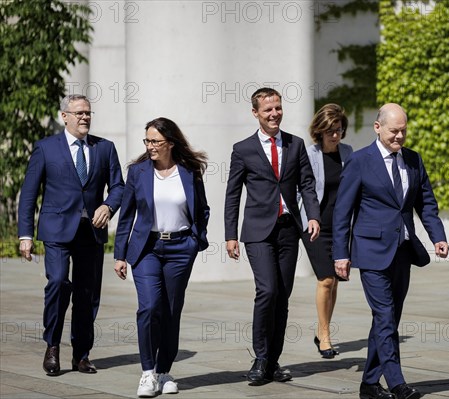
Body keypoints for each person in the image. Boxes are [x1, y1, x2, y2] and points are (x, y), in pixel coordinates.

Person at [332, 104, 449, 399]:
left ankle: (369, 384)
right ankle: (397, 383)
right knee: (384, 315)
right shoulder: (359, 161)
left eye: (403, 130)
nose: (399, 136)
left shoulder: (412, 160)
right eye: (394, 131)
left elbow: (426, 203)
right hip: (371, 251)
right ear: (377, 127)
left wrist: (438, 237)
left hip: (403, 251)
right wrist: (340, 254)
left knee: (389, 318)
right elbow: (342, 212)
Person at [17, 94, 124, 376]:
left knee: (87, 295)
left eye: (88, 113)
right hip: (56, 230)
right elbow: (29, 195)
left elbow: (119, 187)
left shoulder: (105, 148)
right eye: (79, 113)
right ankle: (52, 345)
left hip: (91, 233)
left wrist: (108, 205)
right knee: (58, 282)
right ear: (64, 116)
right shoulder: (46, 148)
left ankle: (81, 355)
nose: (85, 117)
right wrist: (25, 234)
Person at [224, 87, 321, 385]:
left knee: (282, 296)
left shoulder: (295, 144)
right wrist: (230, 235)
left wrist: (313, 215)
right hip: (257, 232)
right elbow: (233, 194)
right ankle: (261, 357)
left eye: (277, 108)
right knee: (267, 291)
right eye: (268, 110)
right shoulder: (243, 149)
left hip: (288, 230)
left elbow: (307, 183)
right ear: (255, 113)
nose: (274, 114)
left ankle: (274, 362)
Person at [113, 117, 210, 397]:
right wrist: (120, 254)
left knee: (170, 310)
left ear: (170, 142)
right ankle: (147, 373)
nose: (150, 146)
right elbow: (127, 215)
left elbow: (202, 209)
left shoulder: (189, 171)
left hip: (181, 248)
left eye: (155, 141)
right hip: (147, 248)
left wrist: (196, 240)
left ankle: (164, 371)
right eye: (148, 141)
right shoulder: (138, 172)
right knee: (149, 307)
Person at [299, 104, 353, 359]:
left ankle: (323, 332)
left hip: (340, 226)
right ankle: (325, 335)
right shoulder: (308, 154)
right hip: (316, 226)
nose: (335, 135)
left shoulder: (348, 152)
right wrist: (309, 218)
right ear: (319, 131)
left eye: (339, 130)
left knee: (335, 280)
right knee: (326, 279)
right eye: (330, 131)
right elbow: (301, 189)